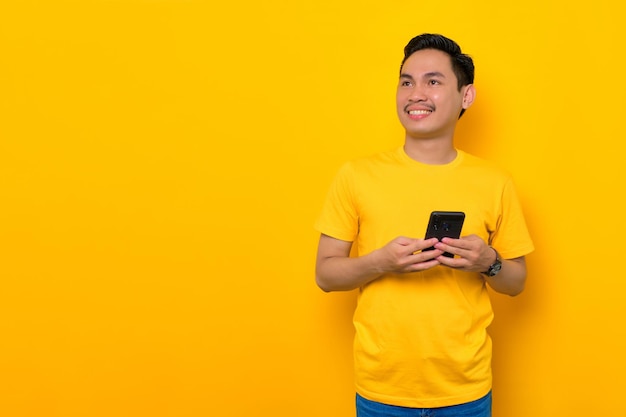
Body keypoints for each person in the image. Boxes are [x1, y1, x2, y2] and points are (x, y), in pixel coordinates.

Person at [314, 34, 534, 417]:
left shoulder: (495, 181)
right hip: (382, 391)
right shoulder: (356, 175)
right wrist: (380, 262)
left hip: (466, 391)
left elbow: (516, 282)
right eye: (406, 82)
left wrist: (488, 261)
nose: (415, 93)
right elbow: (325, 274)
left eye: (433, 82)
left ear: (466, 97)